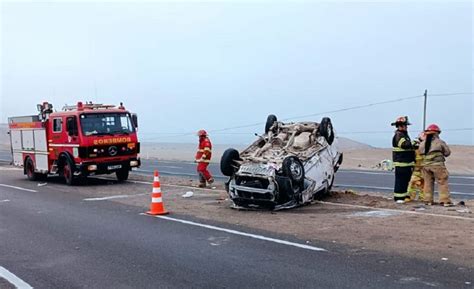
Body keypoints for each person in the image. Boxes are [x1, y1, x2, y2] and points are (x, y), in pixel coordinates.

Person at [418, 124, 452, 206]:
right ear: (437, 133)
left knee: (428, 183)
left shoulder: (422, 143)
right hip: (438, 166)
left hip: (426, 166)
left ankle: (428, 200)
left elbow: (420, 152)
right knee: (442, 182)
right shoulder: (440, 142)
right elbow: (447, 153)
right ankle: (445, 201)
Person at [391, 116, 415, 203]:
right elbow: (404, 145)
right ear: (400, 126)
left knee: (405, 181)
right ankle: (398, 198)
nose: (406, 127)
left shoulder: (404, 135)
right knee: (400, 181)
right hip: (401, 163)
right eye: (405, 125)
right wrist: (414, 143)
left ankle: (403, 197)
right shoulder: (399, 135)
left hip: (406, 163)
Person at [407, 132, 425, 201]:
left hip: (423, 172)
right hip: (417, 171)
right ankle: (410, 197)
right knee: (412, 185)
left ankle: (422, 198)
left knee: (423, 186)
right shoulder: (415, 149)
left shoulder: (426, 149)